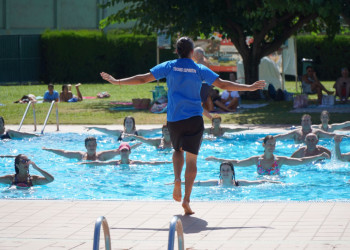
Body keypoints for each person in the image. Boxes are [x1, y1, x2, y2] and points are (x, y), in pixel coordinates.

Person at [100, 36, 265, 214]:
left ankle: (177, 179)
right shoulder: (199, 68)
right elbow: (223, 84)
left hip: (174, 119)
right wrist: (250, 87)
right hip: (194, 118)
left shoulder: (169, 66)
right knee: (192, 160)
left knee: (177, 151)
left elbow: (142, 79)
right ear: (192, 52)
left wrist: (117, 81)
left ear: (177, 51)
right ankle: (186, 200)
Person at [206, 135, 330, 175]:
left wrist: (318, 157)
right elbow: (237, 163)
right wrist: (217, 159)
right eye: (269, 144)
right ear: (264, 145)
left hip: (277, 185)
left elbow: (301, 161)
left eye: (273, 144)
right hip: (261, 187)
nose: (272, 147)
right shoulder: (256, 160)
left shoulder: (280, 160)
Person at [169, 162, 281, 186]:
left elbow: (259, 182)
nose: (225, 172)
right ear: (220, 173)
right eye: (223, 170)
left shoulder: (239, 183)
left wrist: (275, 182)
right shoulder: (216, 183)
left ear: (233, 172)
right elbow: (197, 183)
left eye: (228, 170)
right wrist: (178, 182)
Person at [42, 137, 141, 161]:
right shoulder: (80, 155)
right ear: (86, 147)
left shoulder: (102, 155)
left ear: (96, 146)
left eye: (94, 145)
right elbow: (64, 152)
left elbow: (121, 151)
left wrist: (137, 145)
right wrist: (49, 149)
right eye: (89, 145)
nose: (92, 147)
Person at [79, 142, 172, 166]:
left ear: (129, 152)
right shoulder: (114, 163)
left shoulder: (134, 163)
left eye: (125, 150)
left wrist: (168, 162)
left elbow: (151, 163)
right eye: (122, 151)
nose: (124, 152)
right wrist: (83, 163)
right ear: (119, 152)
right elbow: (98, 164)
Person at [86, 116, 158, 141]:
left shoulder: (139, 133)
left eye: (130, 122)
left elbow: (152, 130)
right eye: (127, 122)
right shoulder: (119, 133)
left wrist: (163, 128)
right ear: (124, 124)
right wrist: (93, 127)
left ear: (133, 124)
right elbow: (106, 130)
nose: (129, 124)